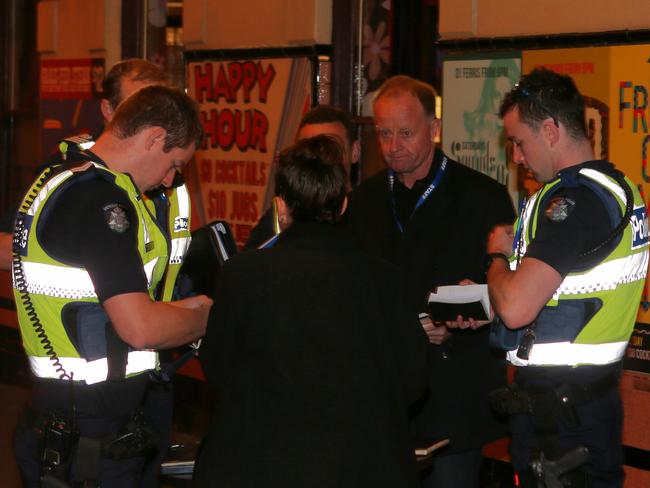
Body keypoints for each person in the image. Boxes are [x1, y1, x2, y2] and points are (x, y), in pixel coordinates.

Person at [194, 135, 429, 488]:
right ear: (344, 205)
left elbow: (218, 367)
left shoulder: (243, 274)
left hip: (262, 465)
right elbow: (412, 380)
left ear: (280, 207)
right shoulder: (386, 280)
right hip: (361, 466)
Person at [12, 85, 213, 487]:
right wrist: (210, 316)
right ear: (154, 137)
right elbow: (139, 328)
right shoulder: (102, 202)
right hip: (88, 442)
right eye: (175, 163)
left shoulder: (68, 179)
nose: (171, 179)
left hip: (73, 425)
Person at [346, 75, 515, 488]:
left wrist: (464, 315)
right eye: (384, 133)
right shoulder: (364, 201)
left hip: (453, 394)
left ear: (434, 129)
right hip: (382, 395)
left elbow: (508, 292)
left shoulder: (483, 197)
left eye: (405, 133)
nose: (393, 145)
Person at [486, 68, 649, 487]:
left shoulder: (575, 203)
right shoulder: (617, 188)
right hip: (585, 406)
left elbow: (519, 307)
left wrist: (497, 260)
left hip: (562, 423)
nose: (517, 157)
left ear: (551, 130)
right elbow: (562, 296)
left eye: (519, 142)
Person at [0, 58, 170, 271]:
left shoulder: (172, 172)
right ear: (108, 110)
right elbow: (6, 245)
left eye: (161, 112)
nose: (152, 123)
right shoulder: (69, 169)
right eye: (136, 111)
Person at [244, 104, 360, 249]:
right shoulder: (279, 217)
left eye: (330, 148)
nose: (317, 158)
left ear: (354, 151)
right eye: (307, 149)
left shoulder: (372, 215)